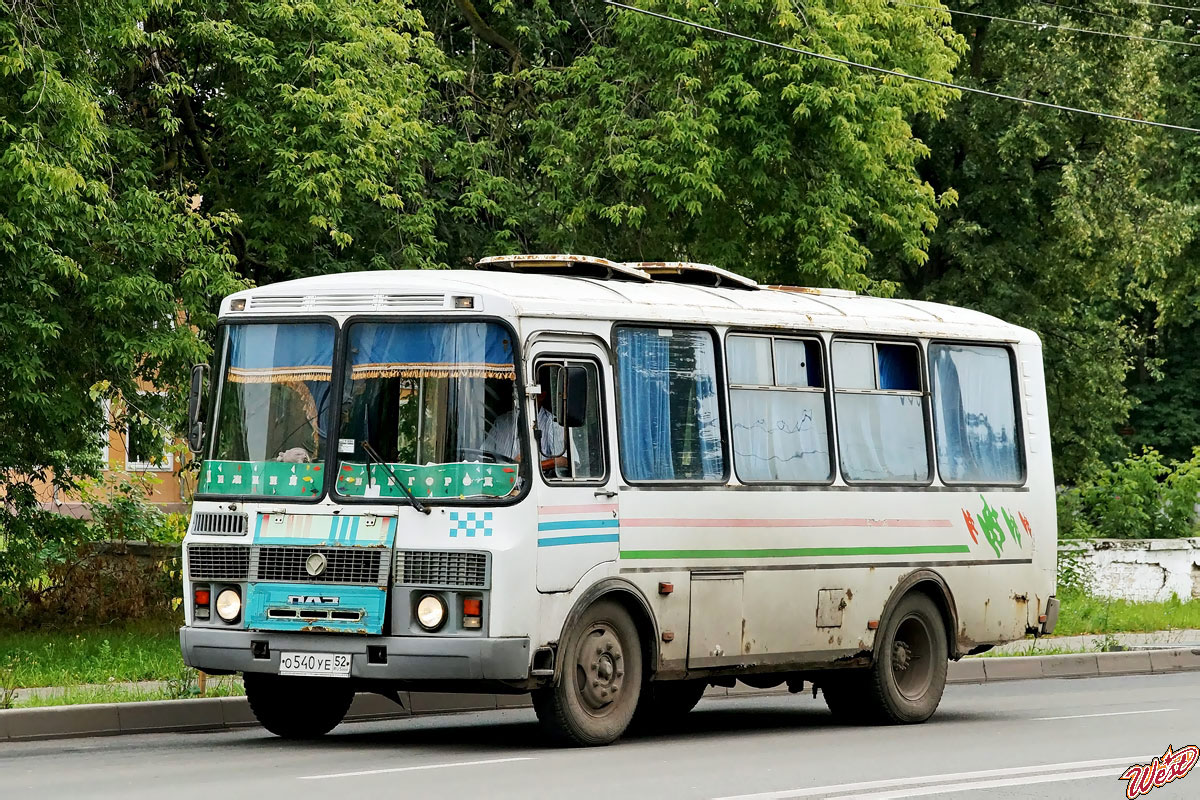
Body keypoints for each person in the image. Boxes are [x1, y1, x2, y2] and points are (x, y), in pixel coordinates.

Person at [481, 390, 567, 474]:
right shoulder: (502, 422)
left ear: (542, 395)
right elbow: (484, 455)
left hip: (536, 484)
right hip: (502, 482)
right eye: (517, 391)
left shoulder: (553, 424)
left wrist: (527, 467)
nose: (519, 396)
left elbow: (566, 460)